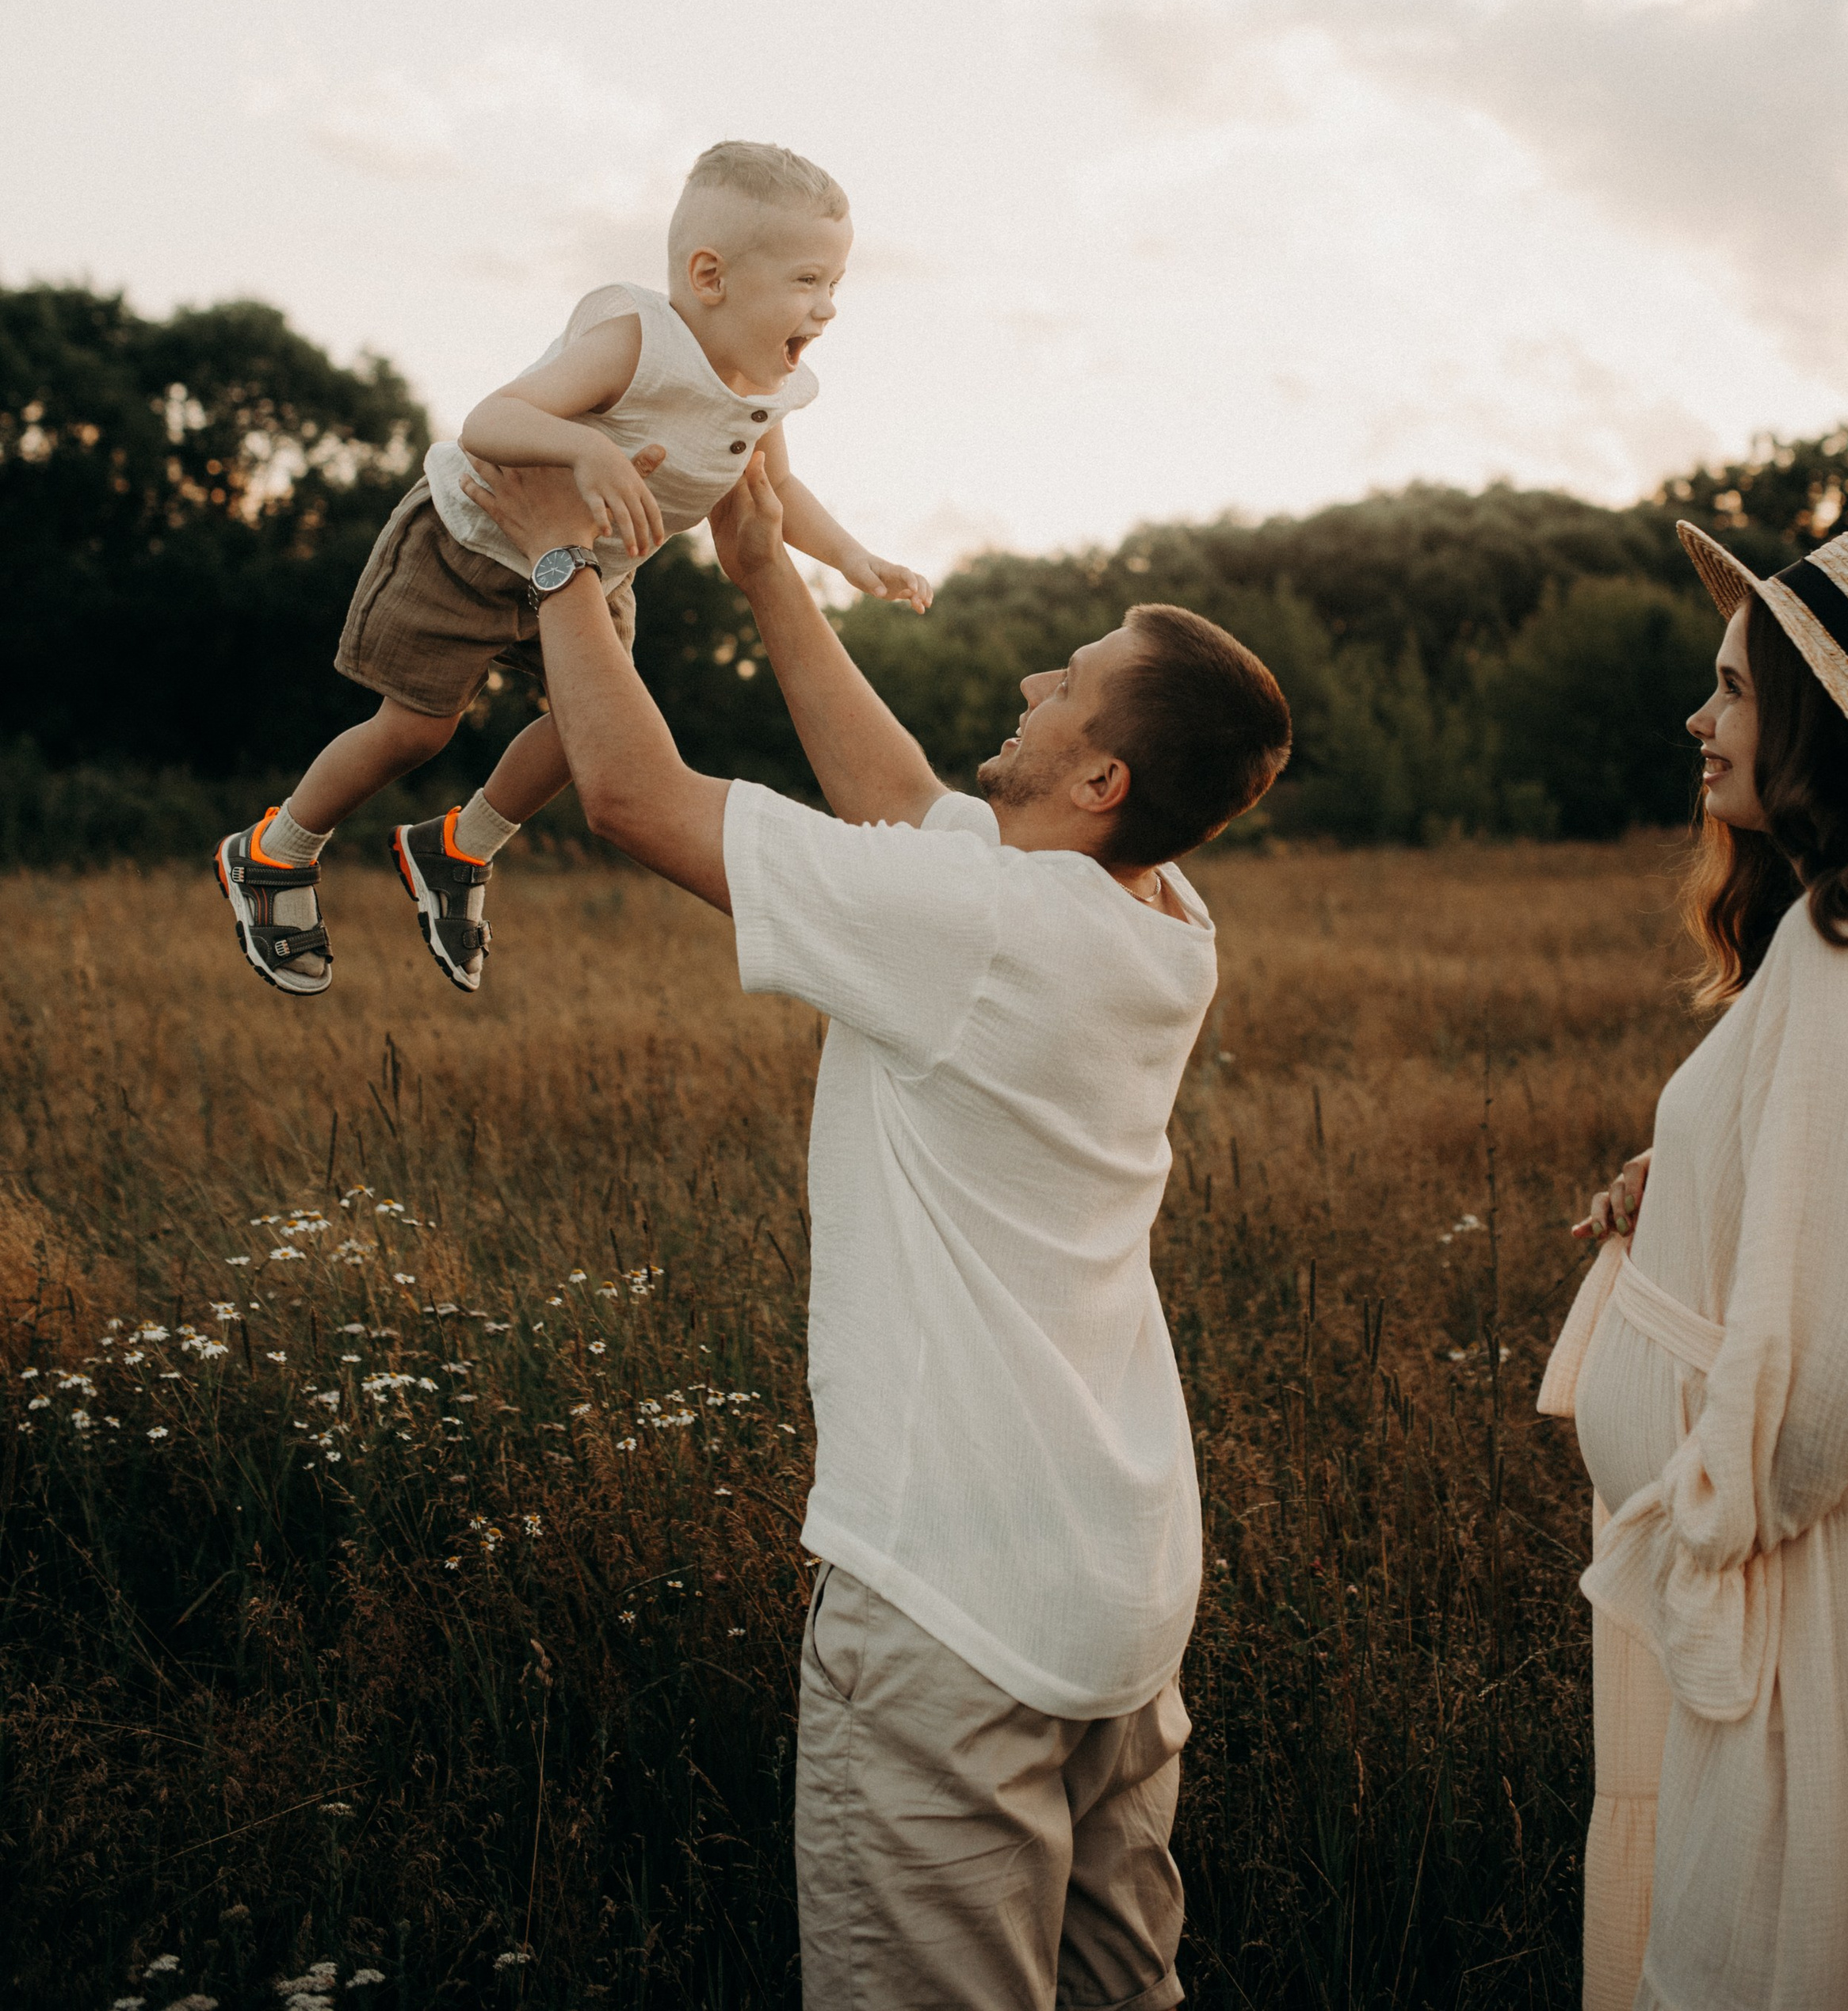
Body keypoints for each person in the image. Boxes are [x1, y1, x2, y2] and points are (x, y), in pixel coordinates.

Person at [456, 433, 1290, 2011]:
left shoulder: (982, 926)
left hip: (952, 1607)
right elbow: (906, 804)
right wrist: (767, 569)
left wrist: (562, 559)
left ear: (1101, 781)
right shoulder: (1160, 917)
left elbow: (632, 796)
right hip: (1114, 1596)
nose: (1037, 675)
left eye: (1071, 681)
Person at [1541, 520, 1848, 2011]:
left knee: (1776, 1960)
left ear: (1814, 717)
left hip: (1809, 1578)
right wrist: (1688, 1183)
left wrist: (1709, 1528)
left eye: (1735, 689)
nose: (1700, 719)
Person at [212, 139, 928, 997]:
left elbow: (776, 490)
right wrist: (585, 450)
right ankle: (275, 851)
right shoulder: (636, 341)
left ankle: (458, 846)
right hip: (473, 545)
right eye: (808, 281)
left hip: (592, 577)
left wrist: (853, 558)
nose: (829, 307)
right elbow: (491, 420)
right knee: (418, 730)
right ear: (710, 276)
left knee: (588, 734)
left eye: (836, 283)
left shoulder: (764, 394)